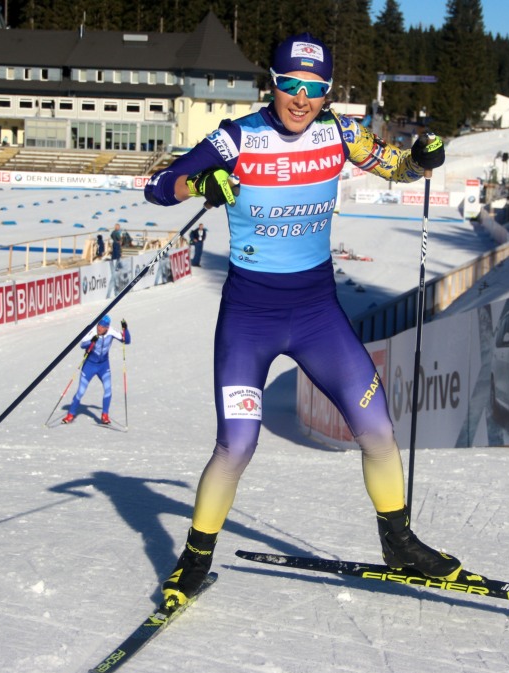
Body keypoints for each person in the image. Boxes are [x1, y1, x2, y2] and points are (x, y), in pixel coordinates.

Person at [145, 32, 457, 612]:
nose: (301, 99)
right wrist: (202, 181)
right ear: (273, 81)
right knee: (237, 445)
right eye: (291, 85)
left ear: (328, 93)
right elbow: (159, 186)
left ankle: (400, 542)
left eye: (315, 89)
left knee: (379, 431)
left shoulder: (339, 133)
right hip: (249, 320)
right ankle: (194, 557)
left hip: (317, 316)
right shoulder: (237, 137)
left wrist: (422, 158)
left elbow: (399, 169)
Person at [61, 315, 130, 425]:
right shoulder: (92, 331)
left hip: (103, 366)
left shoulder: (111, 331)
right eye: (99, 325)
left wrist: (125, 329)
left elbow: (126, 341)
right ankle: (70, 414)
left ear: (107, 328)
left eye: (102, 327)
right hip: (89, 365)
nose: (99, 328)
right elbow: (82, 345)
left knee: (108, 390)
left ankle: (105, 415)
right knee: (81, 391)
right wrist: (91, 342)